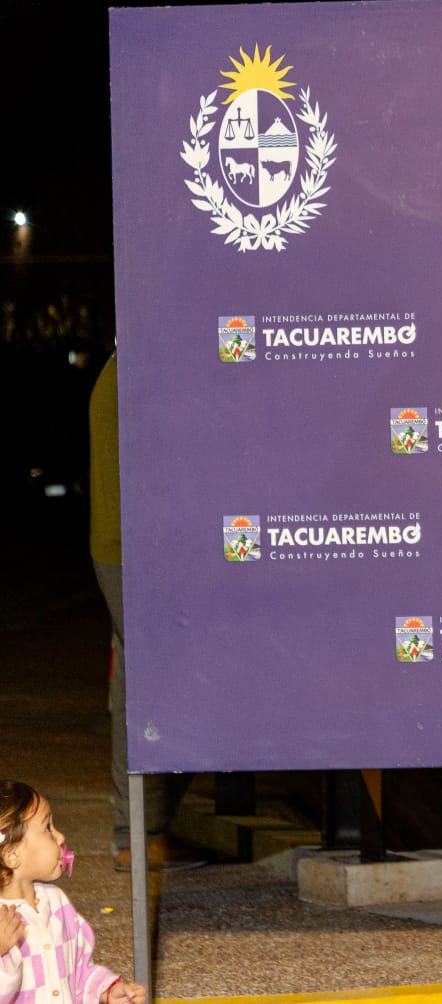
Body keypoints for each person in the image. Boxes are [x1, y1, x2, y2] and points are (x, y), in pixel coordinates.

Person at [88, 354, 203, 872]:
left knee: (137, 682)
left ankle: (137, 835)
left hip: (125, 547)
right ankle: (140, 835)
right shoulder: (138, 365)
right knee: (159, 683)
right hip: (137, 551)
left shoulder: (124, 364)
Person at [0, 780, 147, 1004]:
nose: (60, 837)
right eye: (48, 828)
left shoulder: (56, 903)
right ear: (12, 854)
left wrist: (105, 991)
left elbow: (77, 973)